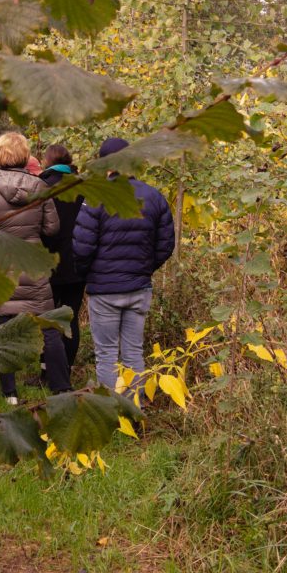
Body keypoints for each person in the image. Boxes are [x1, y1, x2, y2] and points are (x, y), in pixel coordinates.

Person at [0, 131, 67, 405]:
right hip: (32, 264)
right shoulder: (40, 189)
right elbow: (53, 228)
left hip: (1, 268)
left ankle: (10, 393)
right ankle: (61, 387)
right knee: (48, 327)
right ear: (25, 156)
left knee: (2, 328)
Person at [72, 137, 175, 392]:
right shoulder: (155, 197)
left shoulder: (96, 197)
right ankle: (133, 408)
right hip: (139, 288)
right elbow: (165, 245)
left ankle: (110, 410)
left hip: (105, 290)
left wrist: (89, 275)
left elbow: (81, 247)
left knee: (106, 354)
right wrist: (143, 268)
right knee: (133, 353)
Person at [39, 144, 86, 375]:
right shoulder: (83, 187)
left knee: (45, 318)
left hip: (46, 263)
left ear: (47, 162)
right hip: (77, 264)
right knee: (70, 318)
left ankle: (45, 369)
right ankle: (66, 367)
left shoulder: (41, 187)